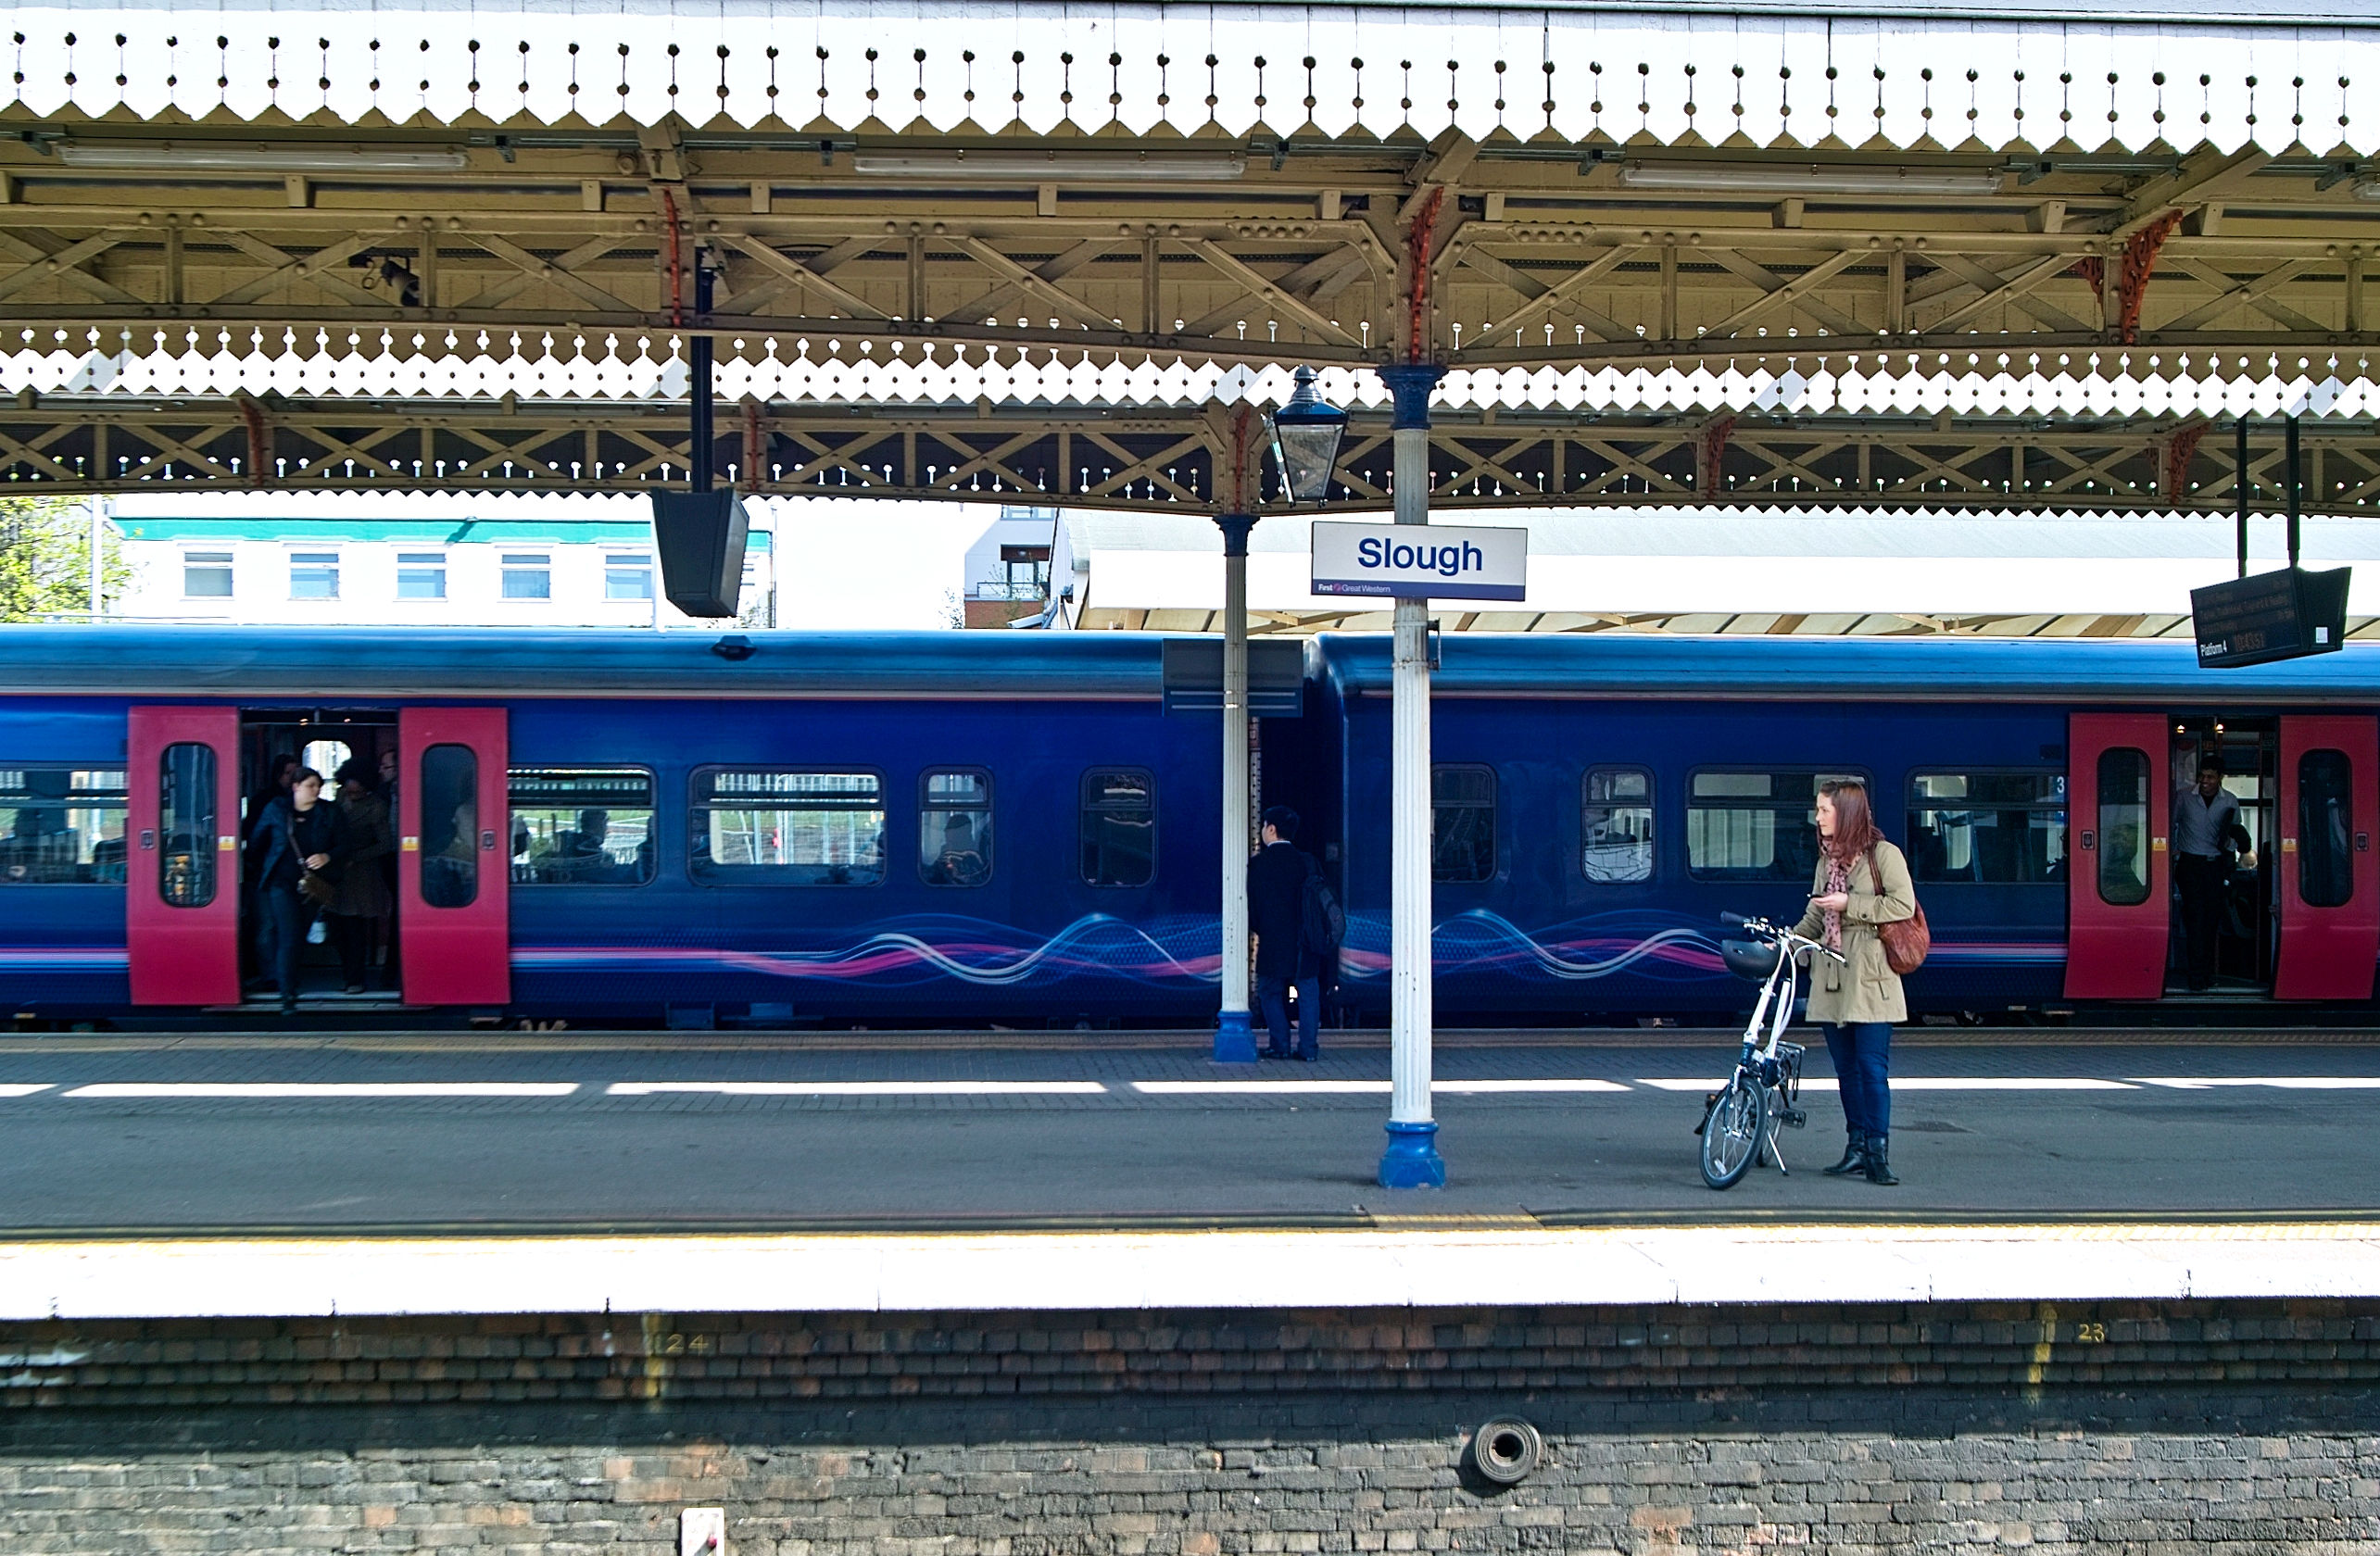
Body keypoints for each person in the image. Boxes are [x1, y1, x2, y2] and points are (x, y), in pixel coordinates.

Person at [1789, 777, 1917, 1187]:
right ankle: (1856, 1146)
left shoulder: (1883, 854)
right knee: (1846, 1070)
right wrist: (1790, 943)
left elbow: (1902, 904)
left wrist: (1851, 905)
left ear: (1845, 812)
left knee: (1871, 1068)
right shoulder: (1827, 861)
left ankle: (1878, 1151)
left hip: (1870, 976)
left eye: (1825, 809)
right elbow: (1814, 913)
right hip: (1832, 979)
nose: (1818, 817)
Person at [249, 767, 348, 1014]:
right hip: (280, 883)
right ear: (296, 786)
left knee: (299, 935)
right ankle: (287, 996)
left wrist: (327, 856)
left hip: (313, 884)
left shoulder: (329, 812)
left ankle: (290, 984)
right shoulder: (276, 809)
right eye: (310, 785)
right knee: (289, 936)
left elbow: (345, 844)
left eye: (318, 785)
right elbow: (256, 842)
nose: (316, 790)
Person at [1247, 804, 1324, 1061]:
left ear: (1271, 829)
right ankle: (1308, 1050)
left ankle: (1280, 1045)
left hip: (1273, 942)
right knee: (1307, 994)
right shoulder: (1308, 862)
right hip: (1306, 942)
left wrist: (1264, 930)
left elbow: (1253, 910)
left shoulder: (1258, 865)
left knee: (1270, 992)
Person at [2173, 758, 2255, 992]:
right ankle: (2196, 976)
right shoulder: (2185, 796)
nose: (2205, 781)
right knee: (2196, 920)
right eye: (2202, 776)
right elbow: (2170, 824)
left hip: (2215, 864)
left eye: (2210, 777)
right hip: (2190, 863)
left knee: (2210, 922)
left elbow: (2235, 830)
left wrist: (2231, 854)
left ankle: (2206, 973)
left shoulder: (2229, 800)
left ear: (2220, 777)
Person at [325, 759, 393, 994]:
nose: (352, 795)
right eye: (349, 790)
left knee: (354, 929)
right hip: (337, 871)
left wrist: (357, 856)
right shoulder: (340, 798)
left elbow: (385, 843)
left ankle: (355, 979)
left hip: (361, 875)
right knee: (336, 926)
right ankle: (345, 972)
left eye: (357, 792)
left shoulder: (376, 807)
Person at [376, 745, 402, 991]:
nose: (381, 771)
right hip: (389, 861)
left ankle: (392, 972)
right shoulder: (381, 795)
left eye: (387, 767)